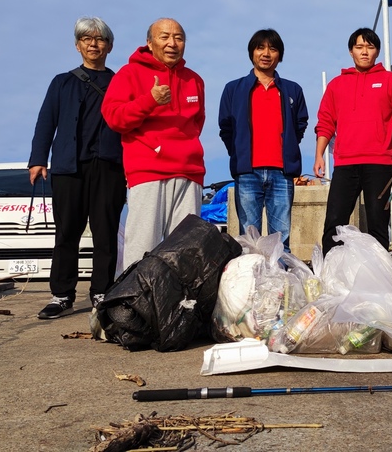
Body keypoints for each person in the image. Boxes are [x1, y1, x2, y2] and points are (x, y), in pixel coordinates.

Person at [29, 17, 126, 319]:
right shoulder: (62, 82)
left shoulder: (119, 82)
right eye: (87, 39)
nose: (93, 44)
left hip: (109, 166)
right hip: (68, 168)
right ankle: (61, 294)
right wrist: (37, 159)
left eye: (99, 39)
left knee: (105, 233)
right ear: (77, 45)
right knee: (67, 232)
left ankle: (101, 292)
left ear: (109, 45)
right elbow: (47, 122)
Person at [101, 18, 206, 269]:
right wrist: (149, 100)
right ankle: (134, 304)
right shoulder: (129, 74)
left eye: (179, 37)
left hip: (189, 173)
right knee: (142, 246)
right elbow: (114, 118)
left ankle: (180, 304)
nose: (172, 43)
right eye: (164, 36)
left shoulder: (195, 80)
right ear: (149, 43)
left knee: (185, 250)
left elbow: (197, 123)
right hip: (148, 172)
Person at [314, 28, 392, 252]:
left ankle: (380, 276)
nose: (364, 52)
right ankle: (331, 272)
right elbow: (326, 121)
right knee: (334, 222)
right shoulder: (336, 85)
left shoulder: (391, 80)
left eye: (370, 47)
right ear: (351, 51)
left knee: (377, 222)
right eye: (359, 47)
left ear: (377, 52)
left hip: (379, 162)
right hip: (345, 164)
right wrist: (319, 154)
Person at [219, 28, 308, 252]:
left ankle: (279, 284)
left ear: (280, 55)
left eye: (273, 48)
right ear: (252, 53)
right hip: (247, 172)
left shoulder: (292, 90)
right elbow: (225, 127)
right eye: (260, 48)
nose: (266, 53)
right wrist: (239, 152)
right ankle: (253, 283)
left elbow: (300, 124)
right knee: (249, 237)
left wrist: (287, 150)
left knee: (281, 238)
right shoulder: (233, 89)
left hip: (282, 172)